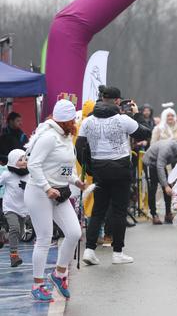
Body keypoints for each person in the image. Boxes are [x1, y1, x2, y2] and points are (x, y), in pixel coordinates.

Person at [77, 86, 151, 266]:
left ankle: (89, 250)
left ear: (102, 98)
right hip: (120, 168)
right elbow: (145, 133)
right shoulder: (123, 119)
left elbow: (79, 147)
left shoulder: (88, 121)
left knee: (98, 211)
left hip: (99, 168)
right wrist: (137, 114)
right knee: (118, 211)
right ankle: (117, 252)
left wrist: (90, 170)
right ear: (118, 101)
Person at [25, 100, 85, 301]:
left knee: (74, 232)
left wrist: (76, 180)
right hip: (39, 191)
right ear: (65, 120)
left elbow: (65, 166)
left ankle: (59, 274)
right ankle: (37, 285)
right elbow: (33, 164)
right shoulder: (49, 137)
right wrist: (46, 187)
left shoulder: (66, 136)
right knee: (44, 238)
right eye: (72, 120)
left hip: (59, 192)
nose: (75, 123)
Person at [143, 139, 177, 224]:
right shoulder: (167, 149)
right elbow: (160, 166)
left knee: (169, 188)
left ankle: (168, 214)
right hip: (150, 163)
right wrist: (166, 185)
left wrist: (173, 183)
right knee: (153, 188)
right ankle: (154, 214)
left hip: (160, 164)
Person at [0, 149, 29, 267]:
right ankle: (14, 256)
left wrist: (28, 186)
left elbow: (36, 186)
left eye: (25, 159)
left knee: (20, 233)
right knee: (15, 228)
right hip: (10, 207)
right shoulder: (7, 174)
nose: (24, 161)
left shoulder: (29, 174)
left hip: (23, 208)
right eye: (20, 159)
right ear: (12, 161)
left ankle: (3, 236)